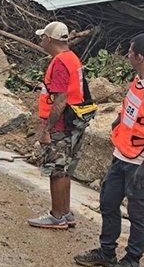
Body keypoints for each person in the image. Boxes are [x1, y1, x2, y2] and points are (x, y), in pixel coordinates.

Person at [75, 33, 144, 267]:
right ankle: (106, 252)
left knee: (138, 212)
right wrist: (117, 122)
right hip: (122, 155)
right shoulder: (140, 80)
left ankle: (133, 259)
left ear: (140, 57)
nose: (127, 55)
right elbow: (131, 109)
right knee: (108, 203)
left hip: (142, 163)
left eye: (130, 51)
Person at [27, 21, 97, 229]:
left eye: (43, 38)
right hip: (75, 120)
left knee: (56, 170)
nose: (41, 41)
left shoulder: (58, 63)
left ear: (49, 39)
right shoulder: (72, 58)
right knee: (65, 170)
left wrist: (46, 130)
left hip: (61, 124)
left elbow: (60, 100)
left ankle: (56, 216)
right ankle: (65, 213)